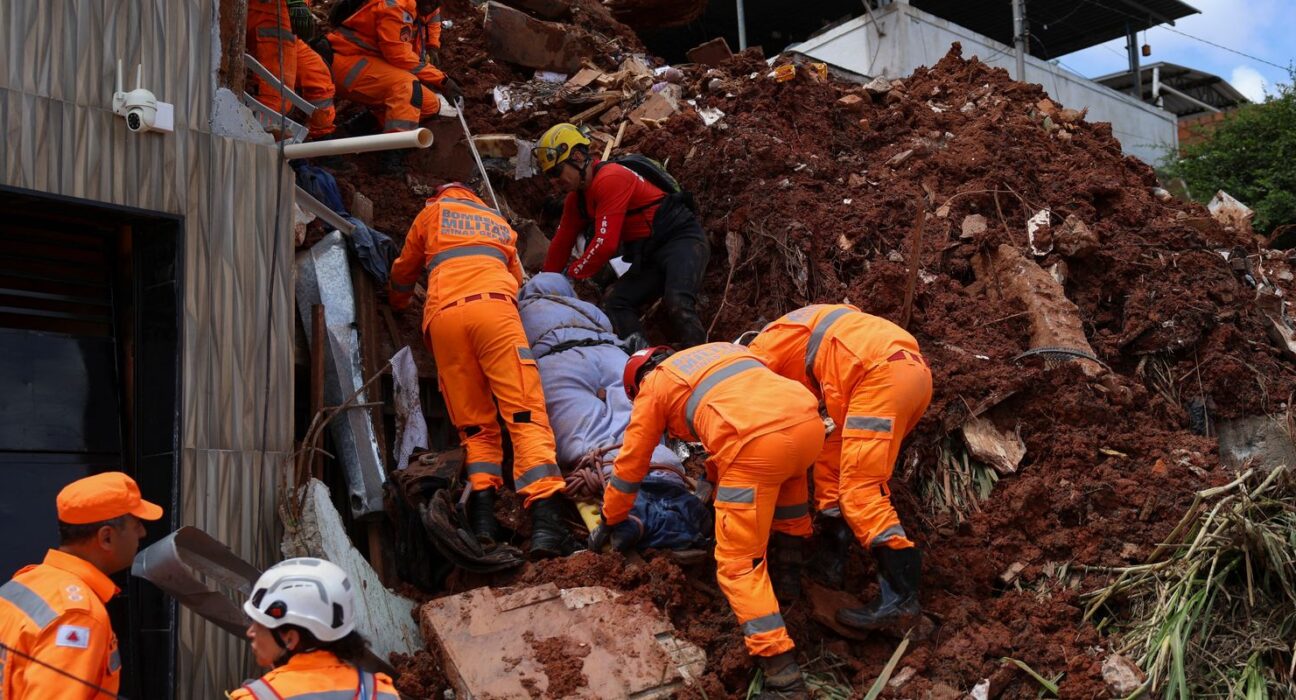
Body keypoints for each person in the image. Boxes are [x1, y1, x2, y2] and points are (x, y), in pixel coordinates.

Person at [593, 343, 824, 698]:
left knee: (737, 564)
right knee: (789, 497)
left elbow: (631, 464)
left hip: (755, 446)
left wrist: (612, 517)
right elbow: (744, 409)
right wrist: (711, 479)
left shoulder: (655, 385)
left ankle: (783, 678)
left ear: (637, 384)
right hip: (807, 424)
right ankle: (789, 582)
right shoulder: (717, 353)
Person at [388, 182, 575, 559]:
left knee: (474, 426)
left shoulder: (431, 214)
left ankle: (485, 521)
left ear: (440, 195)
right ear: (474, 197)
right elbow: (520, 284)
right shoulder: (497, 220)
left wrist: (397, 303)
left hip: (444, 319)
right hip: (494, 313)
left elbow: (403, 271)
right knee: (524, 415)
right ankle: (546, 524)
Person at [746, 303, 932, 632]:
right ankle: (831, 558)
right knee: (831, 461)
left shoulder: (758, 355)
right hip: (909, 374)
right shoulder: (807, 323)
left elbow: (762, 418)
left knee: (861, 489)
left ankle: (902, 600)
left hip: (876, 378)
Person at [534, 123, 710, 351]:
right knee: (615, 303)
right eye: (549, 176)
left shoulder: (611, 178)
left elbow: (606, 244)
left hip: (681, 239)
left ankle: (704, 358)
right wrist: (545, 285)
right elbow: (561, 244)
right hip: (649, 255)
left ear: (577, 157)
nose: (553, 182)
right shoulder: (575, 200)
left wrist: (573, 274)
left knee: (677, 301)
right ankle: (644, 361)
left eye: (556, 172)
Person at [0, 472, 164, 699]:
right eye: (136, 524)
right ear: (106, 537)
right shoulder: (78, 615)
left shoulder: (26, 582)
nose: (143, 533)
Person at [230, 558, 399, 700]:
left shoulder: (252, 697)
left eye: (259, 625)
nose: (250, 632)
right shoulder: (382, 694)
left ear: (290, 638)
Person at [326, 0, 460, 136]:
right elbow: (399, 57)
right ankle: (395, 146)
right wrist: (442, 80)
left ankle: (358, 127)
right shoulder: (397, 8)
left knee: (430, 105)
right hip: (347, 65)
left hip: (370, 63)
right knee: (407, 85)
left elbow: (433, 17)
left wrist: (433, 46)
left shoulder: (422, 5)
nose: (433, 5)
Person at [247, 0, 336, 139]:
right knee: (277, 94)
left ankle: (322, 144)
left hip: (283, 15)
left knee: (317, 74)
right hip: (269, 11)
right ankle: (259, 143)